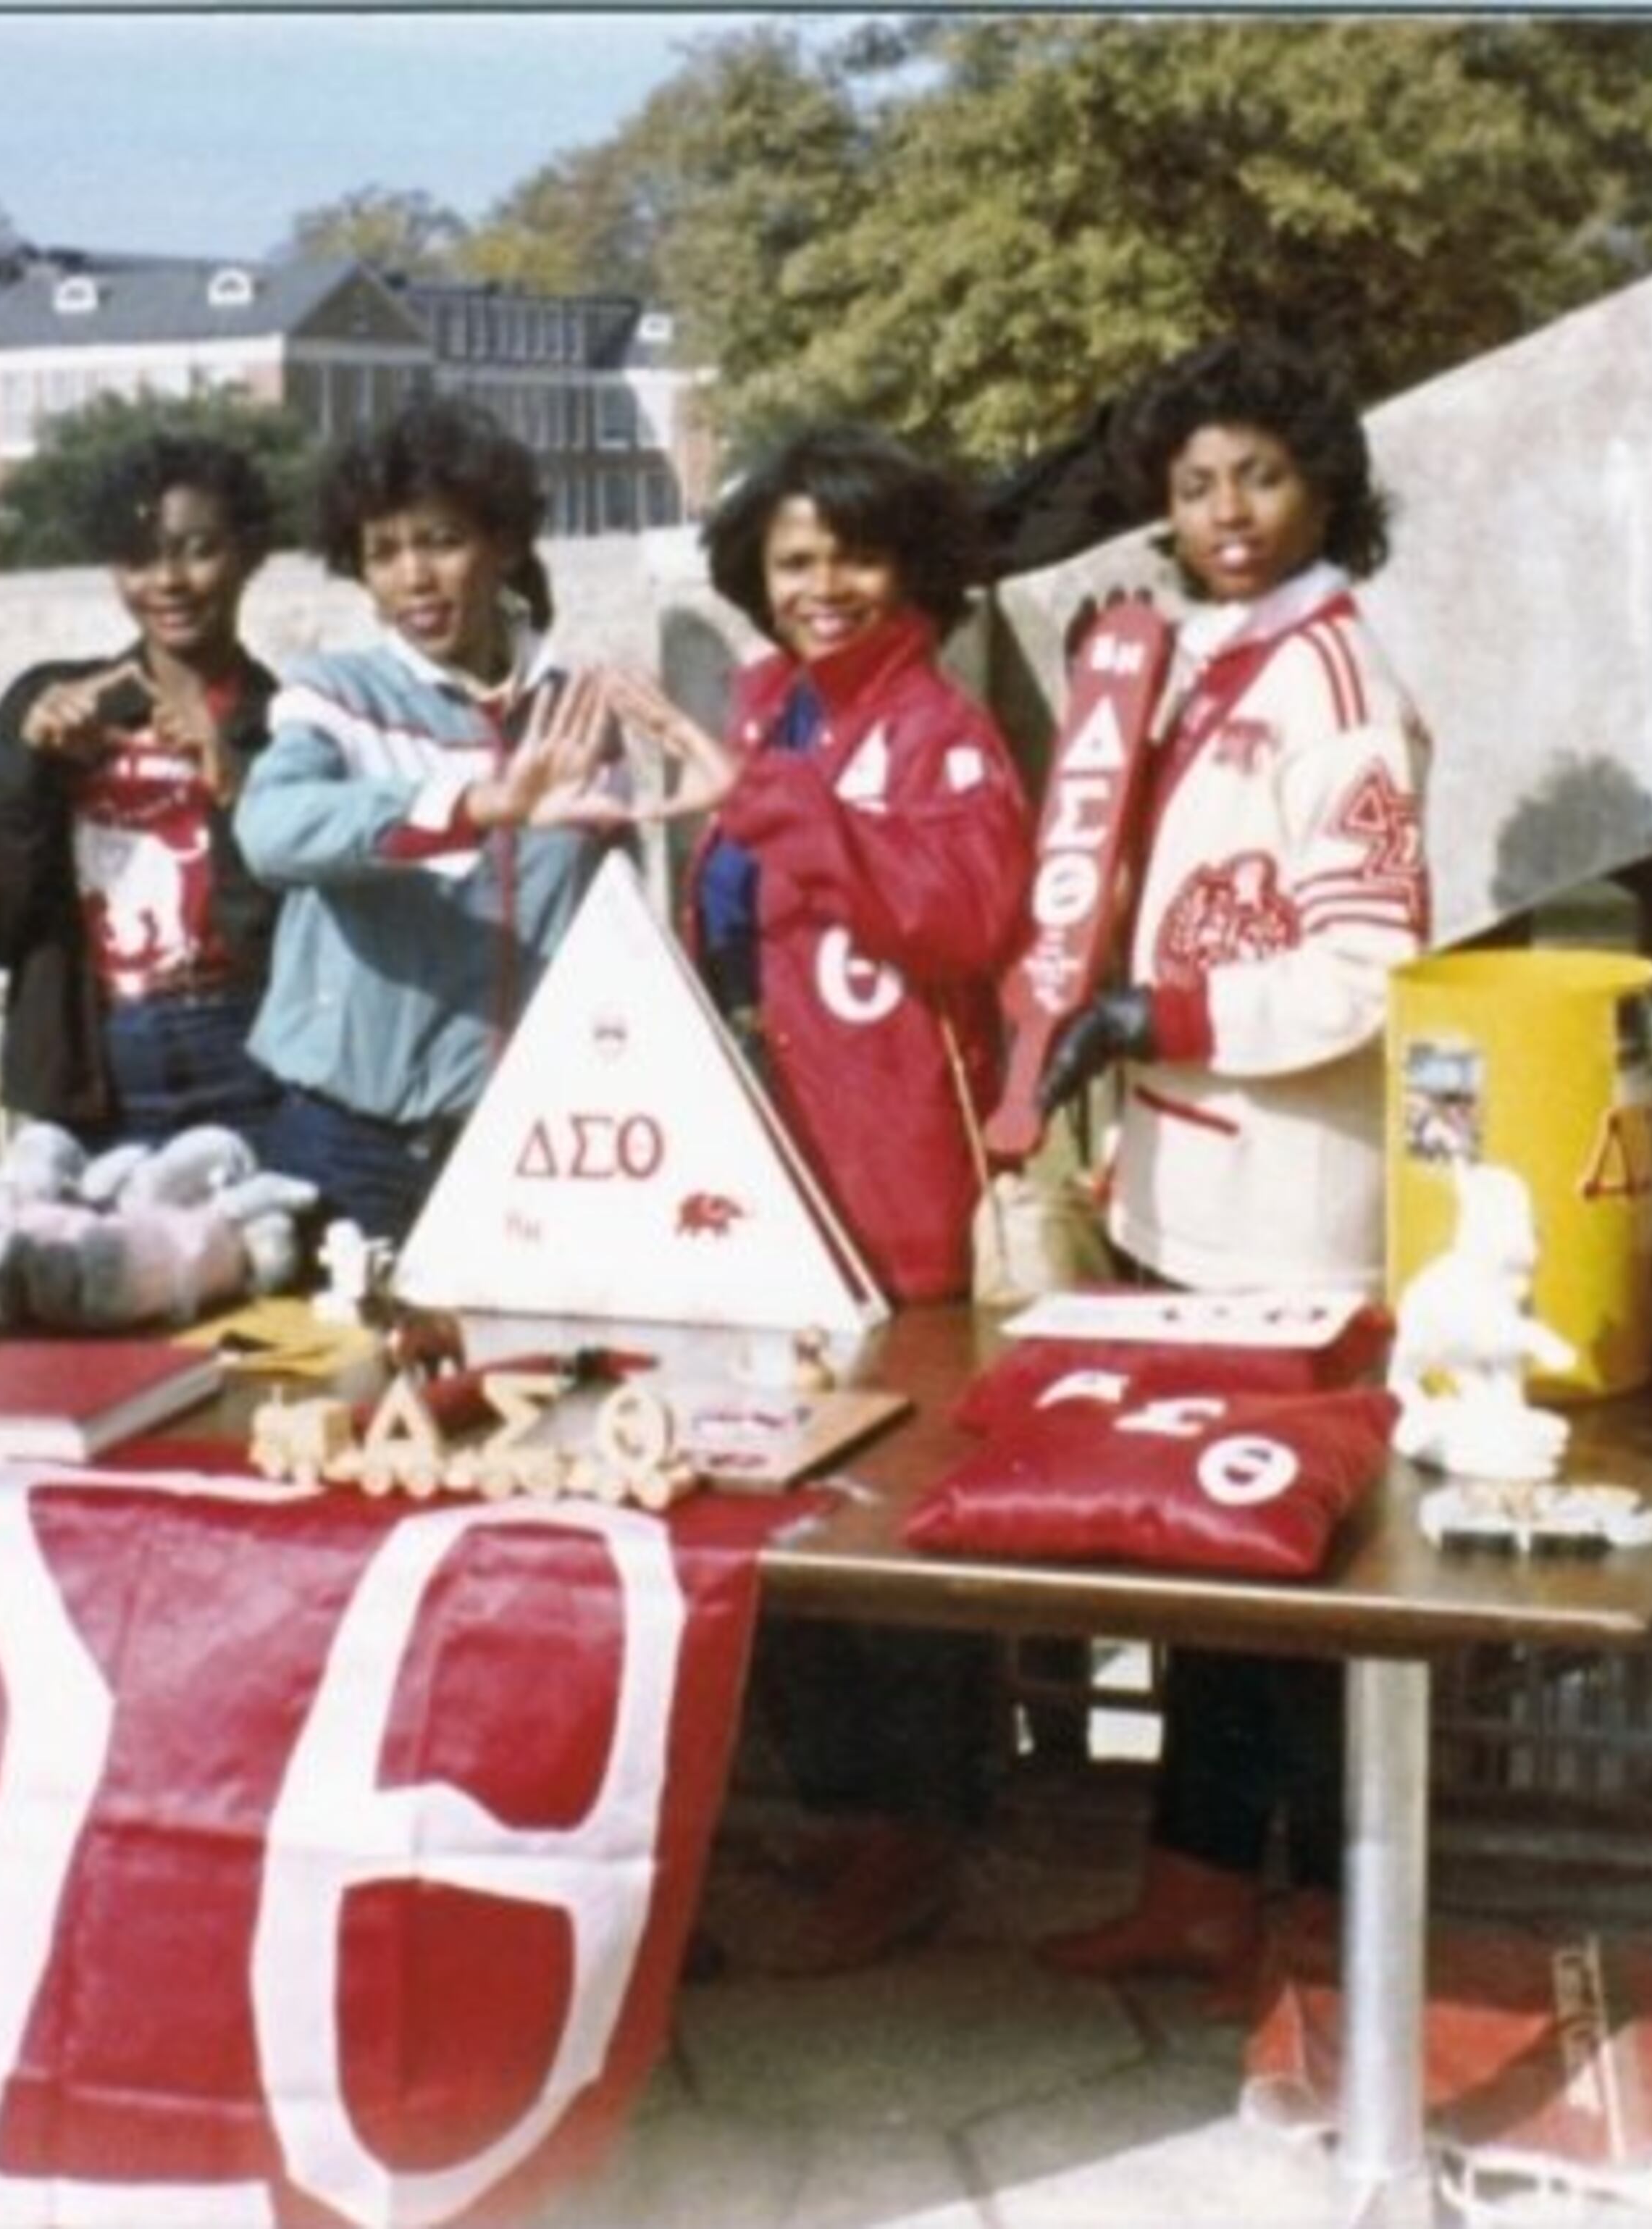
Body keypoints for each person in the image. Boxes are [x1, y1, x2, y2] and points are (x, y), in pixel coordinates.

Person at [1031, 332, 1434, 1995]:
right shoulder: (1194, 661)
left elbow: (1359, 974)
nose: (1227, 513)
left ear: (1321, 481)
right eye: (1193, 487)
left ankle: (1344, 1946)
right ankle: (1196, 1888)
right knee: (1199, 1579)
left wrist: (1150, 1007)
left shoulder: (1341, 687)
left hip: (1283, 1210)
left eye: (1258, 476)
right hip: (1178, 1197)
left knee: (1293, 1593)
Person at [607, 423, 1033, 1975]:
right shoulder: (768, 703)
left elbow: (972, 913)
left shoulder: (937, 727)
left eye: (850, 553)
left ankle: (914, 1840)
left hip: (893, 1192)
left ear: (908, 560)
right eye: (792, 560)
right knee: (779, 1509)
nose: (823, 585)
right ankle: (847, 1813)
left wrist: (774, 800)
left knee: (890, 1525)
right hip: (766, 1193)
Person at [233, 395, 626, 1243]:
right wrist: (474, 804)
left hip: (528, 1144)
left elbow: (607, 921)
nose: (414, 576)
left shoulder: (577, 712)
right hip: (350, 1143)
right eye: (383, 553)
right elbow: (272, 831)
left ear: (506, 546)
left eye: (442, 541)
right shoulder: (334, 693)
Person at [0, 431, 285, 1147]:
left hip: (250, 1060)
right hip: (93, 1067)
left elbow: (292, 945)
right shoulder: (50, 706)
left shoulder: (289, 721)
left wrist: (235, 787)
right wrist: (27, 766)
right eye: (139, 557)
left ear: (247, 555)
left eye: (199, 549)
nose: (168, 581)